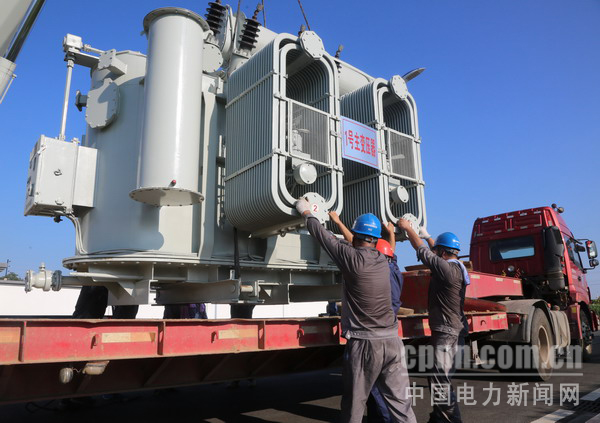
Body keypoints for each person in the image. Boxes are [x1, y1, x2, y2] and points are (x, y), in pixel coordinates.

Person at [297, 199, 416, 423]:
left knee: (354, 406)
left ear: (355, 234)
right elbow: (367, 245)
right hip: (392, 341)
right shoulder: (384, 260)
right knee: (401, 406)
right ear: (376, 239)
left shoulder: (349, 257)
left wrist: (305, 210)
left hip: (365, 344)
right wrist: (391, 233)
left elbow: (322, 235)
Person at [330, 211, 404, 423]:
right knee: (395, 398)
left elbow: (354, 245)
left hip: (369, 337)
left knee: (364, 394)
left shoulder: (371, 265)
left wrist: (337, 222)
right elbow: (370, 246)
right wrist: (391, 233)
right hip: (390, 334)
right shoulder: (388, 265)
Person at [397, 218, 469, 423]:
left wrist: (408, 228)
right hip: (453, 330)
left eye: (437, 250)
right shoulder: (457, 266)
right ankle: (439, 418)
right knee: (439, 377)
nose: (435, 253)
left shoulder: (446, 270)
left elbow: (422, 251)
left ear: (443, 253)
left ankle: (451, 420)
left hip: (447, 333)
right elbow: (434, 252)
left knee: (439, 381)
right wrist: (429, 236)